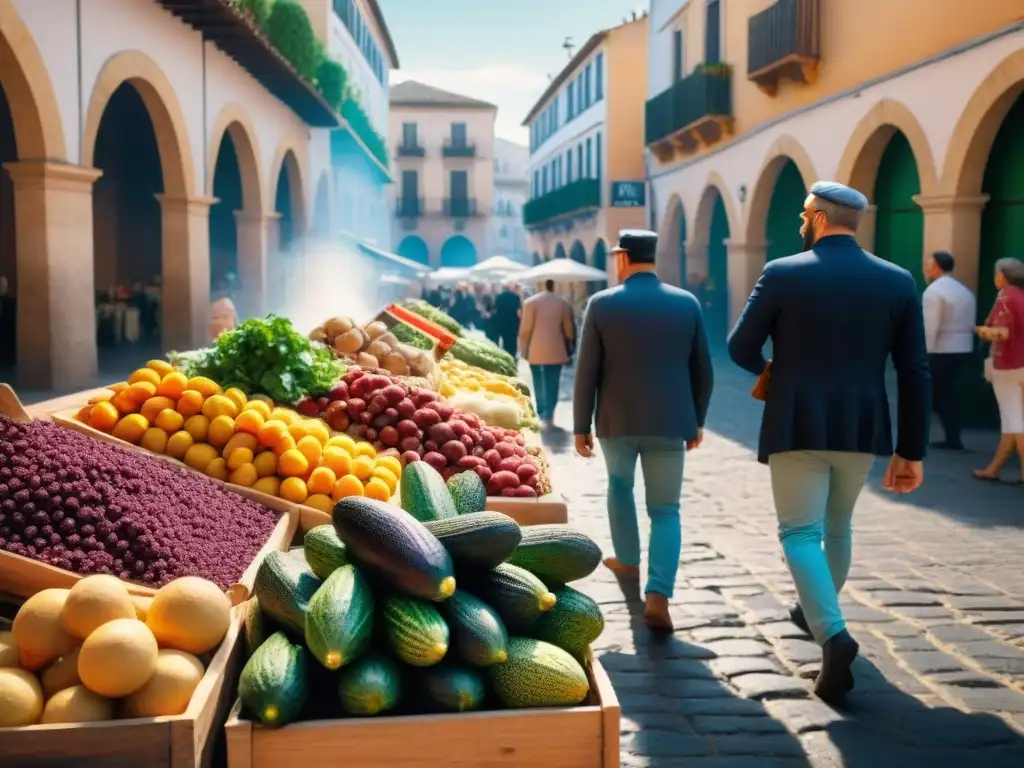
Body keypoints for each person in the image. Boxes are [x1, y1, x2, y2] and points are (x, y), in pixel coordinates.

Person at [726, 181, 931, 704]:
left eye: (803, 213)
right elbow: (914, 371)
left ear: (817, 216)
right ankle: (819, 613)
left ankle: (834, 637)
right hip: (862, 424)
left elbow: (740, 345)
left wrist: (772, 369)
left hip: (797, 420)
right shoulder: (897, 280)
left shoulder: (783, 273)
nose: (800, 220)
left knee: (798, 533)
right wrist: (912, 450)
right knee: (837, 527)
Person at [573, 230, 713, 632]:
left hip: (617, 422)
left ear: (622, 258)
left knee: (619, 488)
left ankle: (629, 560)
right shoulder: (686, 303)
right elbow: (703, 370)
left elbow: (587, 373)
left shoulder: (601, 304)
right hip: (671, 422)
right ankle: (658, 595)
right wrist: (697, 419)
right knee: (666, 509)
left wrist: (581, 425)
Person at [973, 257, 1024, 485]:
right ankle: (994, 468)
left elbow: (1002, 333)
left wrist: (980, 331)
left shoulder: (1006, 296)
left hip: (1008, 365)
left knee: (1014, 421)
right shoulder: (1021, 296)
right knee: (1013, 420)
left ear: (1003, 275)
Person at [922, 251, 977, 450]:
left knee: (937, 394)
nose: (926, 269)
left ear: (936, 268)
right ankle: (952, 436)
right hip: (962, 349)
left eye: (929, 265)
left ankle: (949, 437)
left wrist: (923, 352)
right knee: (945, 394)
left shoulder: (934, 291)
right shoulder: (964, 290)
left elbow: (931, 325)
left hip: (940, 350)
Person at [519, 279, 574, 426]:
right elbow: (569, 330)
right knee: (553, 381)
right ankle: (550, 410)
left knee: (538, 380)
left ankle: (541, 408)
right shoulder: (563, 303)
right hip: (556, 349)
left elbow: (525, 330)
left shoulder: (530, 303)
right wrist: (570, 342)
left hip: (535, 349)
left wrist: (523, 349)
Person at [493, 282, 523, 358]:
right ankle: (512, 357)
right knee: (512, 343)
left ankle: (506, 356)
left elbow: (495, 310)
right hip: (513, 324)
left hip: (502, 323)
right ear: (510, 288)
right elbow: (519, 313)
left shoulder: (498, 297)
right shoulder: (516, 297)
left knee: (504, 341)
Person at [209, 274, 238, 341]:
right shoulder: (215, 303)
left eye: (225, 317)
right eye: (216, 318)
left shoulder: (229, 302)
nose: (221, 322)